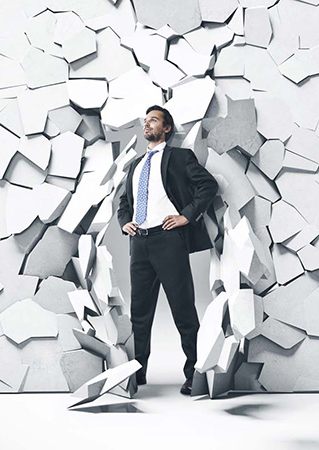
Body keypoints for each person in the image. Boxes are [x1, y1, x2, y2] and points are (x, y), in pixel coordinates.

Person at [117, 105, 219, 395]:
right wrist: (126, 222)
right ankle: (137, 375)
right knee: (139, 314)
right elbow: (124, 203)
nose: (147, 123)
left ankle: (194, 374)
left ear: (167, 128)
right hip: (139, 243)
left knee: (183, 310)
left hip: (168, 240)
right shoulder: (136, 164)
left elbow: (207, 186)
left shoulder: (179, 157)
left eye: (154, 120)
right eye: (145, 120)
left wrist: (186, 215)